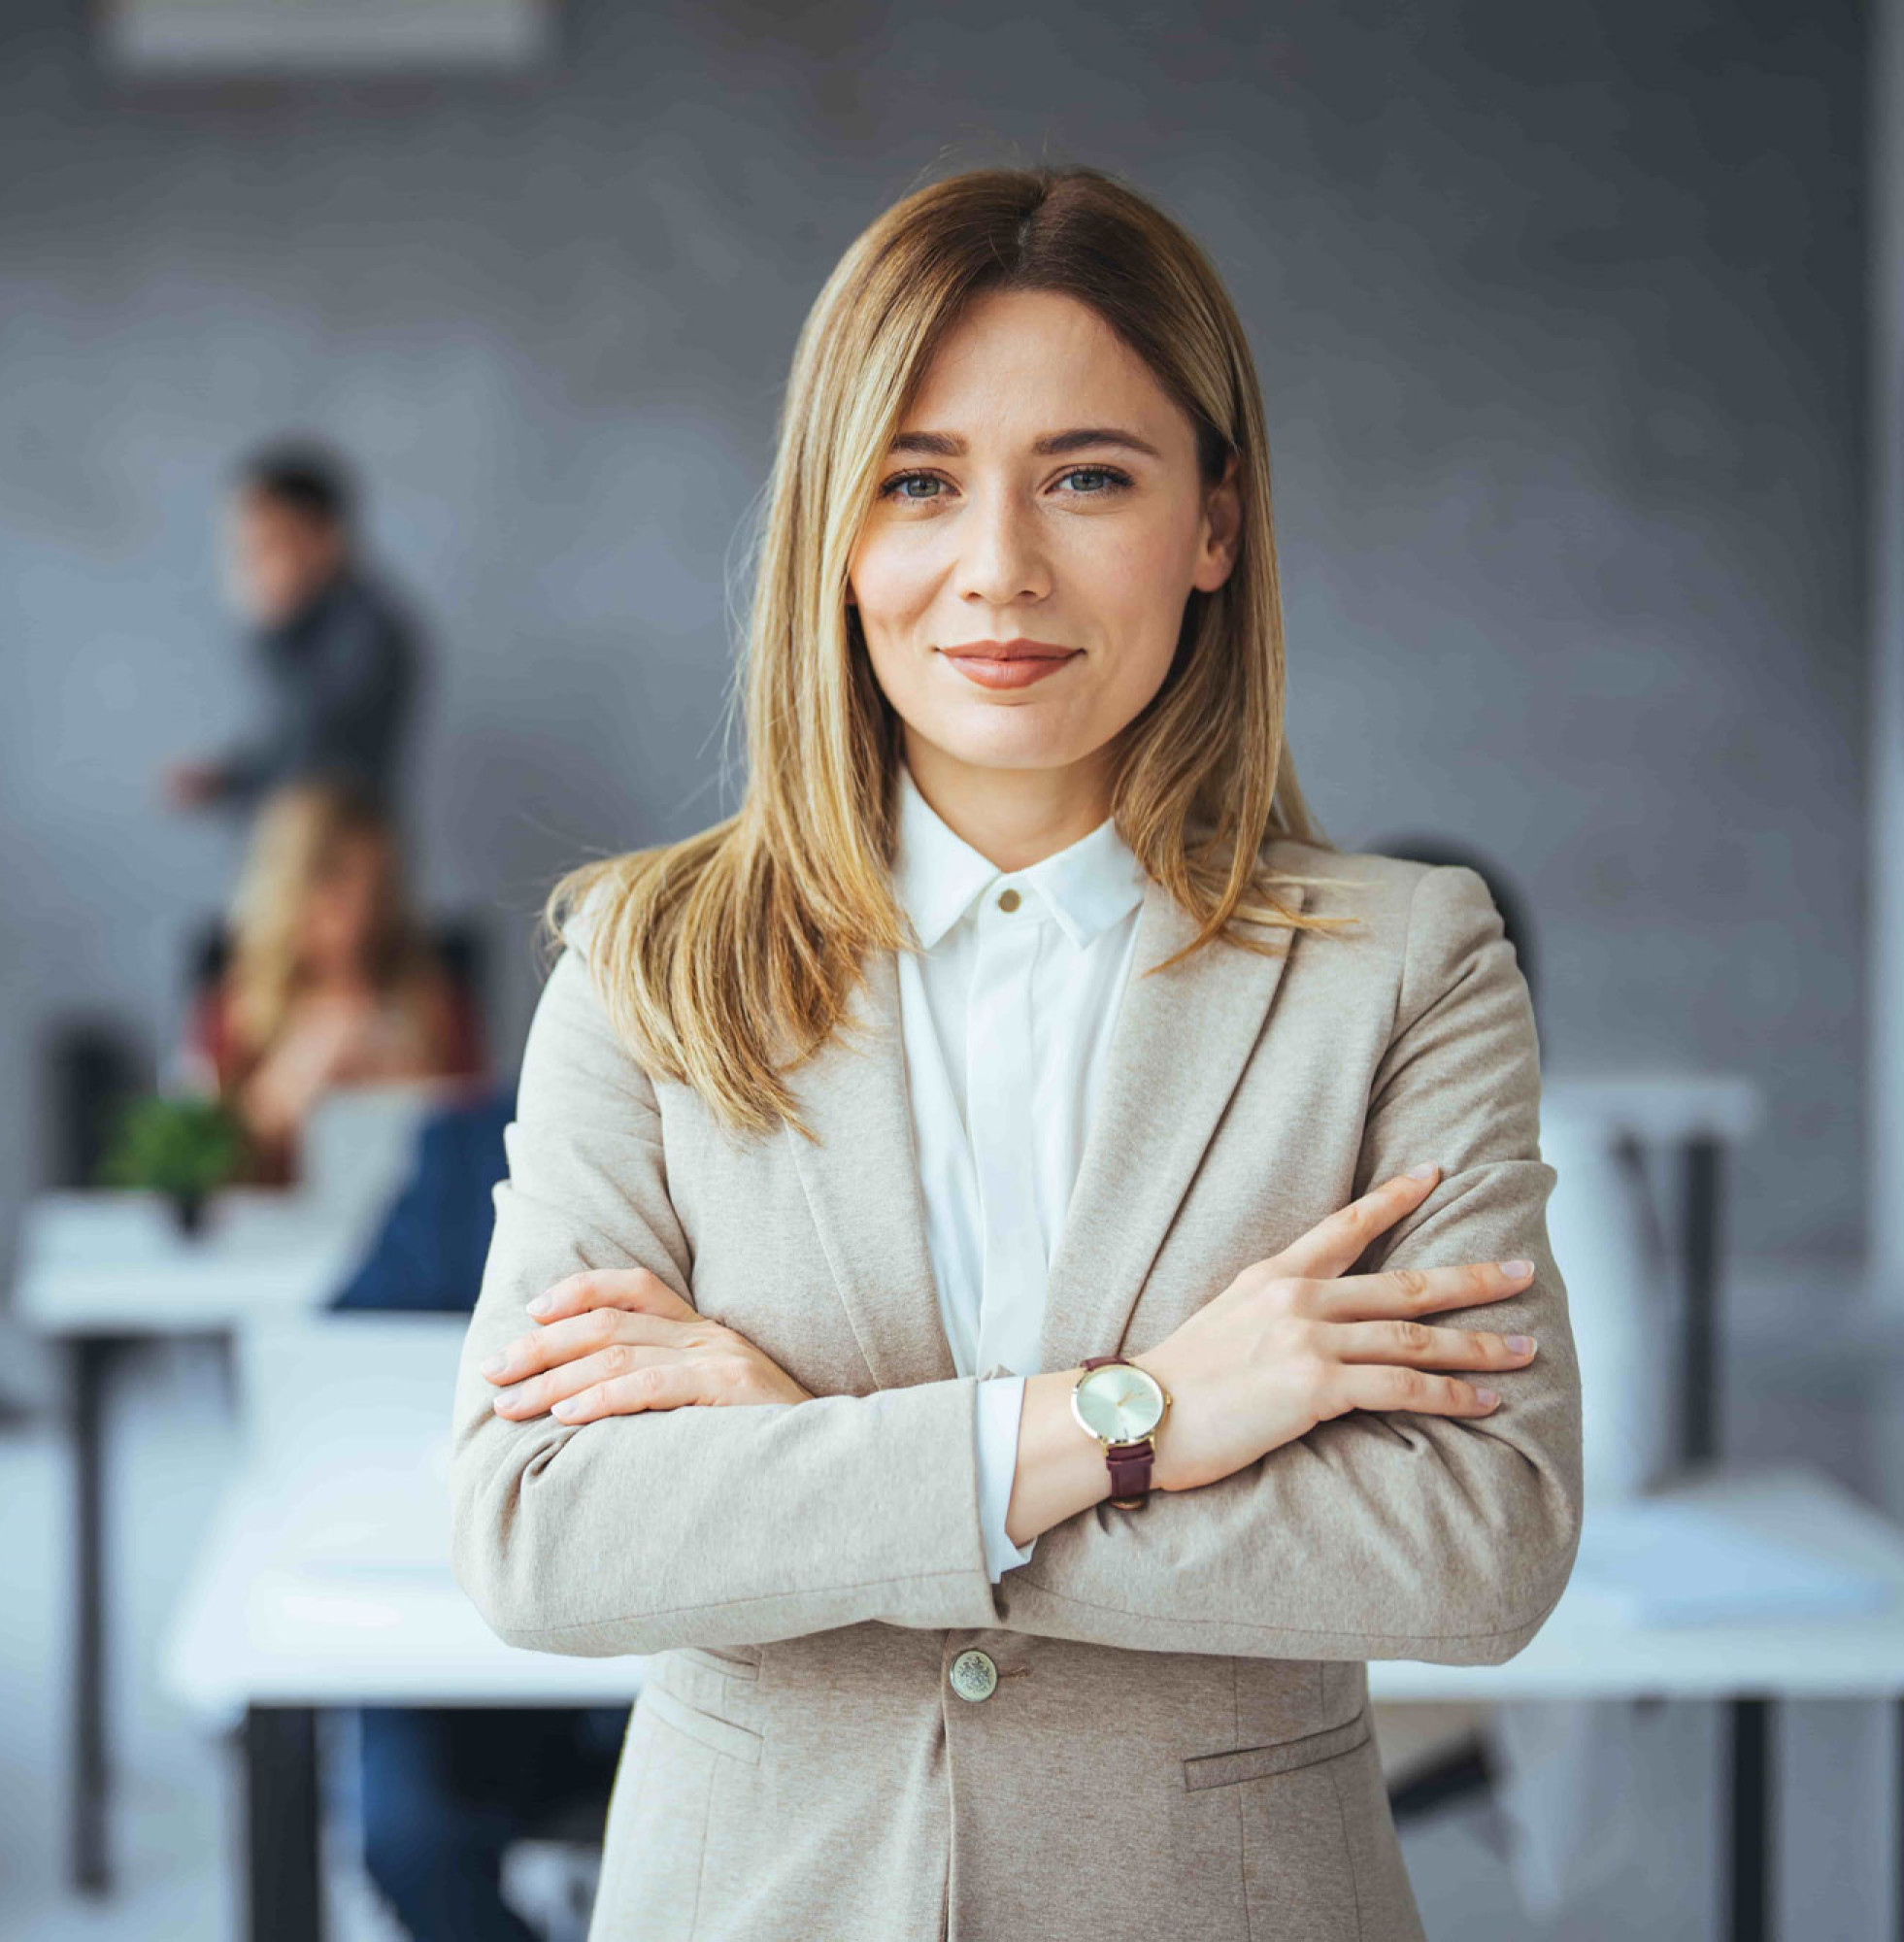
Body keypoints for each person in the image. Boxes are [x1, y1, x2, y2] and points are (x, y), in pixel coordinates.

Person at [449, 162, 1583, 1942]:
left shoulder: (1404, 966)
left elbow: (1476, 1544)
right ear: (838, 526)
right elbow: (546, 1531)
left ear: (1215, 521)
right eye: (919, 481)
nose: (999, 570)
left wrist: (819, 1466)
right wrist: (1141, 1422)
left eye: (1088, 479)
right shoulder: (651, 961)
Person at [331, 1083, 630, 1942]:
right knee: (408, 1836)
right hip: (465, 1610)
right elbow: (347, 1356)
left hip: (684, 1616)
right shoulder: (468, 1146)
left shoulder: (762, 1143)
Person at [184, 776, 483, 1185]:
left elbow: (482, 1141)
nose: (358, 910)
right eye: (336, 881)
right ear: (290, 885)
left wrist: (412, 1100)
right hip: (283, 1235)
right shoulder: (238, 1010)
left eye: (376, 886)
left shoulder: (436, 1002)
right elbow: (198, 1169)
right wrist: (286, 1091)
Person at [160, 437, 422, 818]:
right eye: (245, 549)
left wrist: (271, 635)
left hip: (337, 852)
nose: (252, 566)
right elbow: (280, 744)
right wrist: (225, 778)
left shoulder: (366, 632)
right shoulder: (313, 628)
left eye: (269, 544)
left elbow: (310, 750)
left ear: (325, 536)